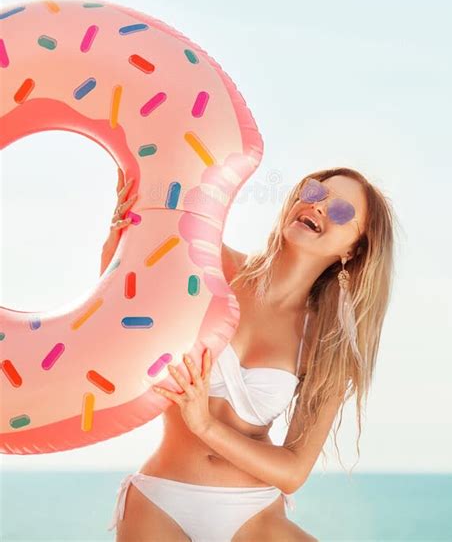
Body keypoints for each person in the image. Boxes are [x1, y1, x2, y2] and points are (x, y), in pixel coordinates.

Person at [104, 166, 395, 541]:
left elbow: (292, 472)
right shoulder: (212, 265)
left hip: (255, 514)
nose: (319, 206)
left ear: (352, 250)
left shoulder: (328, 343)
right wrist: (120, 237)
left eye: (341, 211)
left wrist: (204, 425)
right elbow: (121, 313)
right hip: (160, 503)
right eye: (314, 192)